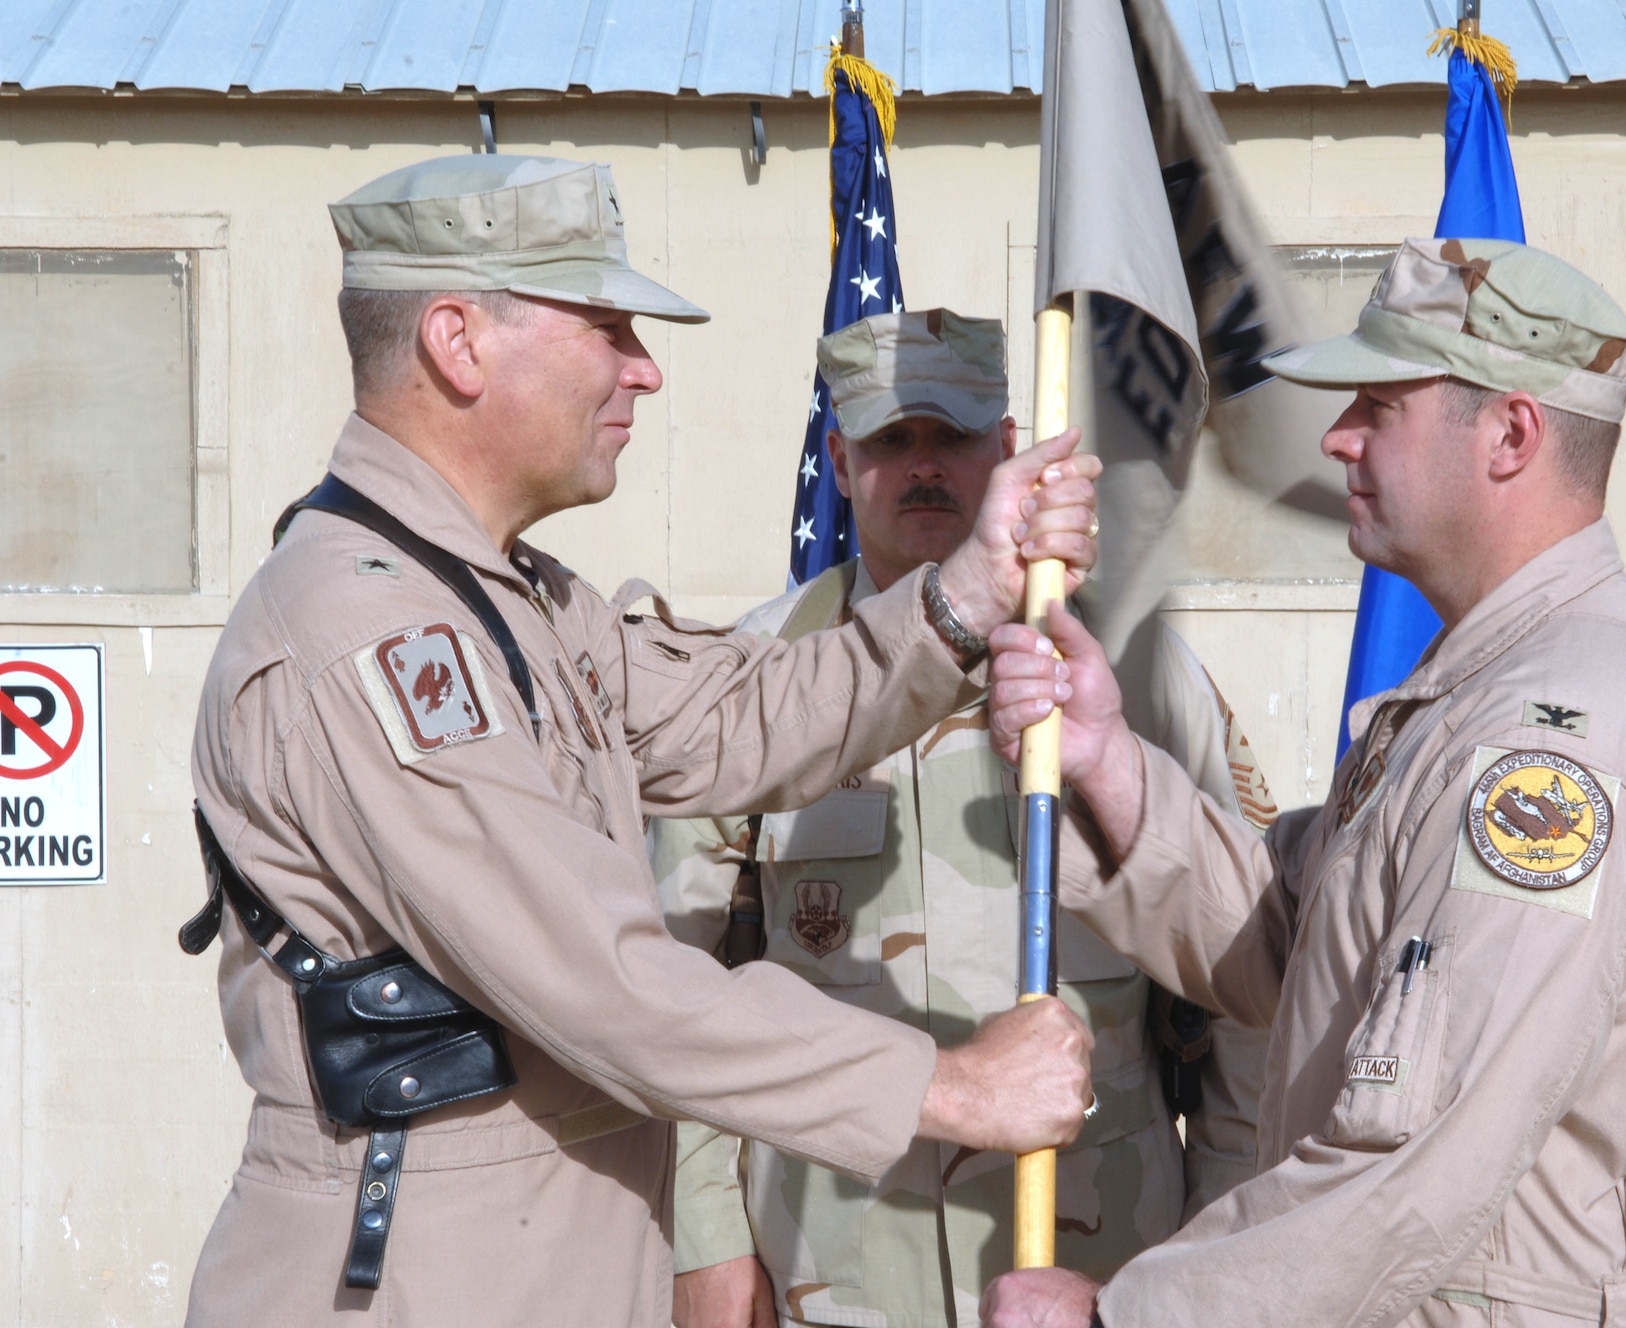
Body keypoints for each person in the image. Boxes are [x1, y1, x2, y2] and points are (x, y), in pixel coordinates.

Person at [180, 154, 1107, 1326]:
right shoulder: (371, 629)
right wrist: (954, 1082)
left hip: (529, 1255)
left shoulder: (508, 597)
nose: (644, 369)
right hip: (427, 1279)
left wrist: (964, 595)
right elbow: (607, 980)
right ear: (458, 343)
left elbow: (734, 719)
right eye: (608, 326)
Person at [979, 238, 1626, 1328]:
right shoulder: (1473, 691)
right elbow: (1301, 942)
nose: (1336, 436)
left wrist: (1122, 1315)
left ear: (1510, 433)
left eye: (1379, 402)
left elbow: (1414, 1163)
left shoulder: (1560, 738)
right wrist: (1106, 763)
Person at [653, 308, 1276, 1328]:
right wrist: (706, 1242)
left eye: (952, 437)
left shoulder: (1132, 671)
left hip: (1087, 1253)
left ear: (1007, 448)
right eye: (892, 441)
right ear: (842, 460)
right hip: (834, 1245)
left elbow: (1244, 967)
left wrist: (1224, 1221)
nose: (923, 468)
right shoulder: (760, 681)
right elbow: (672, 983)